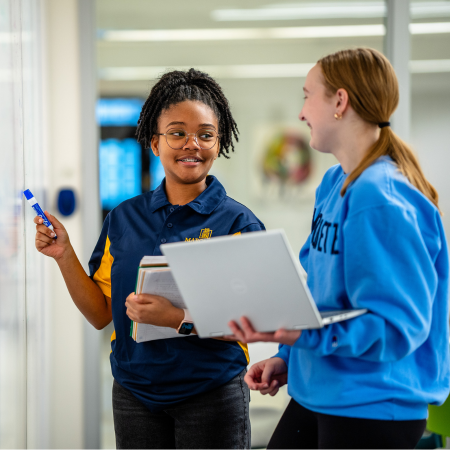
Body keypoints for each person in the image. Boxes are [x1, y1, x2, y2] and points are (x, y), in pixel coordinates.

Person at [229, 48, 450, 449]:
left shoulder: (379, 197)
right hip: (322, 390)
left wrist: (302, 337)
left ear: (340, 101)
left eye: (307, 95)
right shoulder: (335, 183)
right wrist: (289, 356)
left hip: (373, 402)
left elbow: (398, 328)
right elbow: (320, 299)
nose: (301, 112)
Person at [33, 68, 265, 449]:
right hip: (134, 393)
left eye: (206, 135)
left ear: (219, 143)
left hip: (210, 393)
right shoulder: (124, 218)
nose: (192, 144)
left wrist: (176, 320)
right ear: (154, 143)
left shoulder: (238, 223)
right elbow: (100, 313)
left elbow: (249, 324)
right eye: (177, 133)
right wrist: (64, 255)